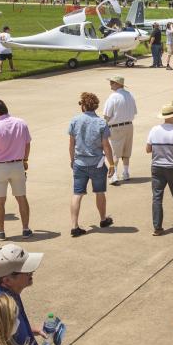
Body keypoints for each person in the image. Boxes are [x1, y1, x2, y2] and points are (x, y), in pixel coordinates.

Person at [0, 99, 32, 240]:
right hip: (17, 165)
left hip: (0, 167)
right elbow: (27, 144)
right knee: (21, 198)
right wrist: (25, 160)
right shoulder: (21, 123)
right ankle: (26, 229)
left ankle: (1, 232)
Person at [68, 92, 114, 237]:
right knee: (99, 192)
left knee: (77, 193)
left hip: (80, 162)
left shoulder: (75, 121)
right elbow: (106, 146)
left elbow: (71, 144)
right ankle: (103, 219)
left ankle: (74, 225)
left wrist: (72, 159)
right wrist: (111, 164)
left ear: (83, 105)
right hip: (97, 164)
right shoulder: (101, 123)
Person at [146, 104, 173, 236]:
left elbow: (148, 149)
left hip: (157, 167)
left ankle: (157, 227)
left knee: (157, 197)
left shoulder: (154, 130)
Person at [103, 75, 137, 185]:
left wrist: (104, 127)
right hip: (129, 126)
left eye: (112, 82)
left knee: (114, 152)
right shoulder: (130, 95)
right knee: (127, 150)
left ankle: (114, 175)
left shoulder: (113, 97)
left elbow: (107, 115)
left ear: (118, 84)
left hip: (116, 127)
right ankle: (126, 173)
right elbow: (134, 112)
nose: (111, 84)